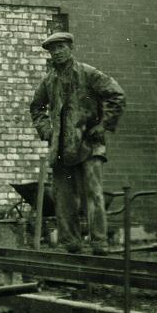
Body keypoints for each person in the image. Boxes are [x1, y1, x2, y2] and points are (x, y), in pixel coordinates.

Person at [29, 32, 125, 255]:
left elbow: (116, 95)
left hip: (88, 145)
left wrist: (103, 125)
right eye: (53, 49)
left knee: (93, 195)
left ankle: (99, 243)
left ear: (70, 48)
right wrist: (46, 131)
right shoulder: (49, 81)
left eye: (61, 47)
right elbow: (36, 108)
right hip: (61, 148)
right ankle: (70, 244)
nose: (57, 52)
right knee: (64, 199)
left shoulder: (88, 74)